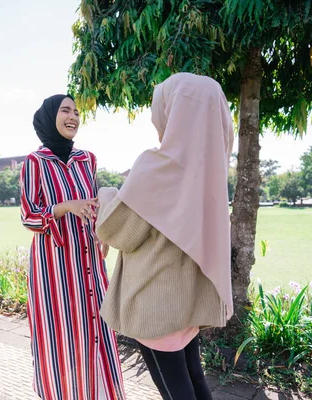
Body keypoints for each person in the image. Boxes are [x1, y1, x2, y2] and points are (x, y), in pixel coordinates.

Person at [95, 73, 235, 400]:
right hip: (190, 299)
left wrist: (107, 194)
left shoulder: (155, 167)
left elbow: (119, 232)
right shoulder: (211, 172)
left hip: (156, 301)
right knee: (194, 379)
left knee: (174, 390)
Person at [20, 94, 125, 400]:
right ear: (49, 117)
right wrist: (64, 207)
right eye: (66, 110)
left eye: (77, 112)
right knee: (61, 334)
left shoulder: (87, 159)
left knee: (97, 327)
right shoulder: (35, 163)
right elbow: (29, 217)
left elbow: (93, 206)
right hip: (53, 266)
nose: (73, 116)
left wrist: (102, 233)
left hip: (89, 259)